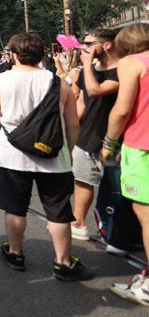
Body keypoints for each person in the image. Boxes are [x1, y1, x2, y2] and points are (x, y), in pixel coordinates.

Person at [0, 32, 91, 282]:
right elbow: (73, 124)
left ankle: (15, 253)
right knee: (58, 210)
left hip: (12, 154)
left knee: (15, 207)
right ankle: (63, 263)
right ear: (43, 54)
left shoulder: (0, 81)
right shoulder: (59, 83)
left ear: (13, 54)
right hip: (54, 156)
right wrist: (69, 150)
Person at [100, 23, 149, 306]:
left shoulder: (133, 62)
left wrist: (109, 144)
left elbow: (121, 109)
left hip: (142, 147)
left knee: (147, 216)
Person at [69, 28, 119, 242]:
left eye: (89, 44)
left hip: (113, 140)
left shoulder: (121, 70)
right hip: (86, 137)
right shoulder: (87, 70)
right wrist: (70, 130)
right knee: (82, 181)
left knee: (117, 189)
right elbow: (81, 102)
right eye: (83, 43)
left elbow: (95, 91)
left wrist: (87, 65)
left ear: (107, 45)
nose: (84, 47)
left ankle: (118, 232)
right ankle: (78, 223)